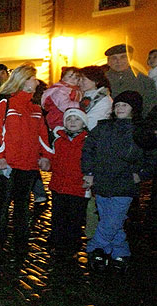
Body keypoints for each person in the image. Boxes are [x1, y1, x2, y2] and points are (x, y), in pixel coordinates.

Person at [82, 91, 150, 272]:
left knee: (112, 220)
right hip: (103, 182)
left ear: (133, 109)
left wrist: (142, 174)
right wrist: (88, 172)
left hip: (124, 183)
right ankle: (120, 252)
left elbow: (151, 156)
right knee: (111, 220)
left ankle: (96, 248)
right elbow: (89, 149)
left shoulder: (141, 131)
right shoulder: (103, 128)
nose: (120, 108)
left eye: (124, 105)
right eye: (118, 105)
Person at [0, 63, 52, 252]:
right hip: (7, 164)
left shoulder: (35, 107)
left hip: (29, 165)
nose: (36, 81)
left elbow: (43, 133)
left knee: (23, 206)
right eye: (33, 78)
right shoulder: (3, 101)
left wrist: (47, 156)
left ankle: (21, 242)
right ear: (23, 81)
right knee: (2, 205)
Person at [48, 108, 89, 254]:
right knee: (58, 216)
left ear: (83, 123)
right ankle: (57, 242)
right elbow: (53, 159)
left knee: (75, 218)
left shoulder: (88, 141)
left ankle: (72, 245)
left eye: (77, 119)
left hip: (78, 187)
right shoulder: (59, 140)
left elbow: (91, 162)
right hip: (58, 185)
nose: (72, 122)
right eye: (69, 119)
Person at [104, 43, 157, 114]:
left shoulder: (144, 81)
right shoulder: (101, 81)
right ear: (108, 61)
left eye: (123, 57)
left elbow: (150, 105)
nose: (118, 61)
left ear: (130, 59)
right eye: (114, 58)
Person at [41, 67, 82, 131]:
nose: (73, 79)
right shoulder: (60, 90)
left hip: (68, 119)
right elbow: (64, 105)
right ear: (63, 77)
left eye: (76, 78)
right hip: (58, 120)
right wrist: (80, 105)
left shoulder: (75, 90)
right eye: (70, 76)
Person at [78, 66, 113, 130]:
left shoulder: (103, 100)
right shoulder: (83, 95)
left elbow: (92, 122)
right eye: (79, 79)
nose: (79, 82)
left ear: (95, 80)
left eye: (83, 79)